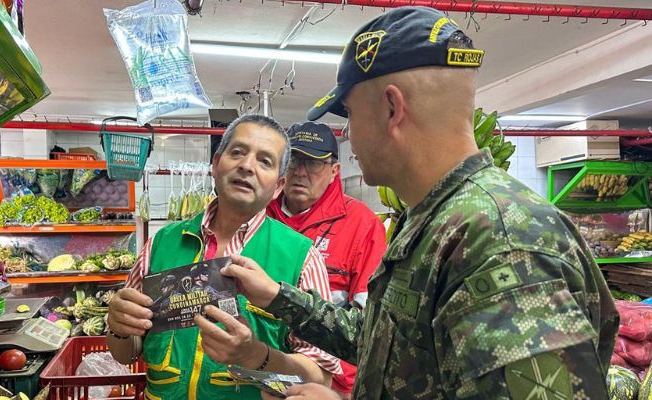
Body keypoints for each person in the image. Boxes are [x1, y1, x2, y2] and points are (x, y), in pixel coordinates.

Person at [219, 6, 619, 399]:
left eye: (351, 115)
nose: (349, 135)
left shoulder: (500, 240)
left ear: (392, 109)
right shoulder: (434, 220)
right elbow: (387, 345)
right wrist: (276, 296)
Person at [106, 114, 341, 400]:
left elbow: (321, 377)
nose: (247, 166)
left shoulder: (301, 257)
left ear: (278, 186)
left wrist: (256, 355)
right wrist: (118, 328)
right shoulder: (161, 243)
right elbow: (126, 353)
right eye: (238, 152)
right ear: (216, 164)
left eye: (265, 161)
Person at [266, 121, 387, 398]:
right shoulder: (260, 216)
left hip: (331, 383)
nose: (300, 172)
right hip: (259, 371)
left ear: (334, 171)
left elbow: (368, 322)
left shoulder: (362, 224)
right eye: (293, 161)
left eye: (313, 164)